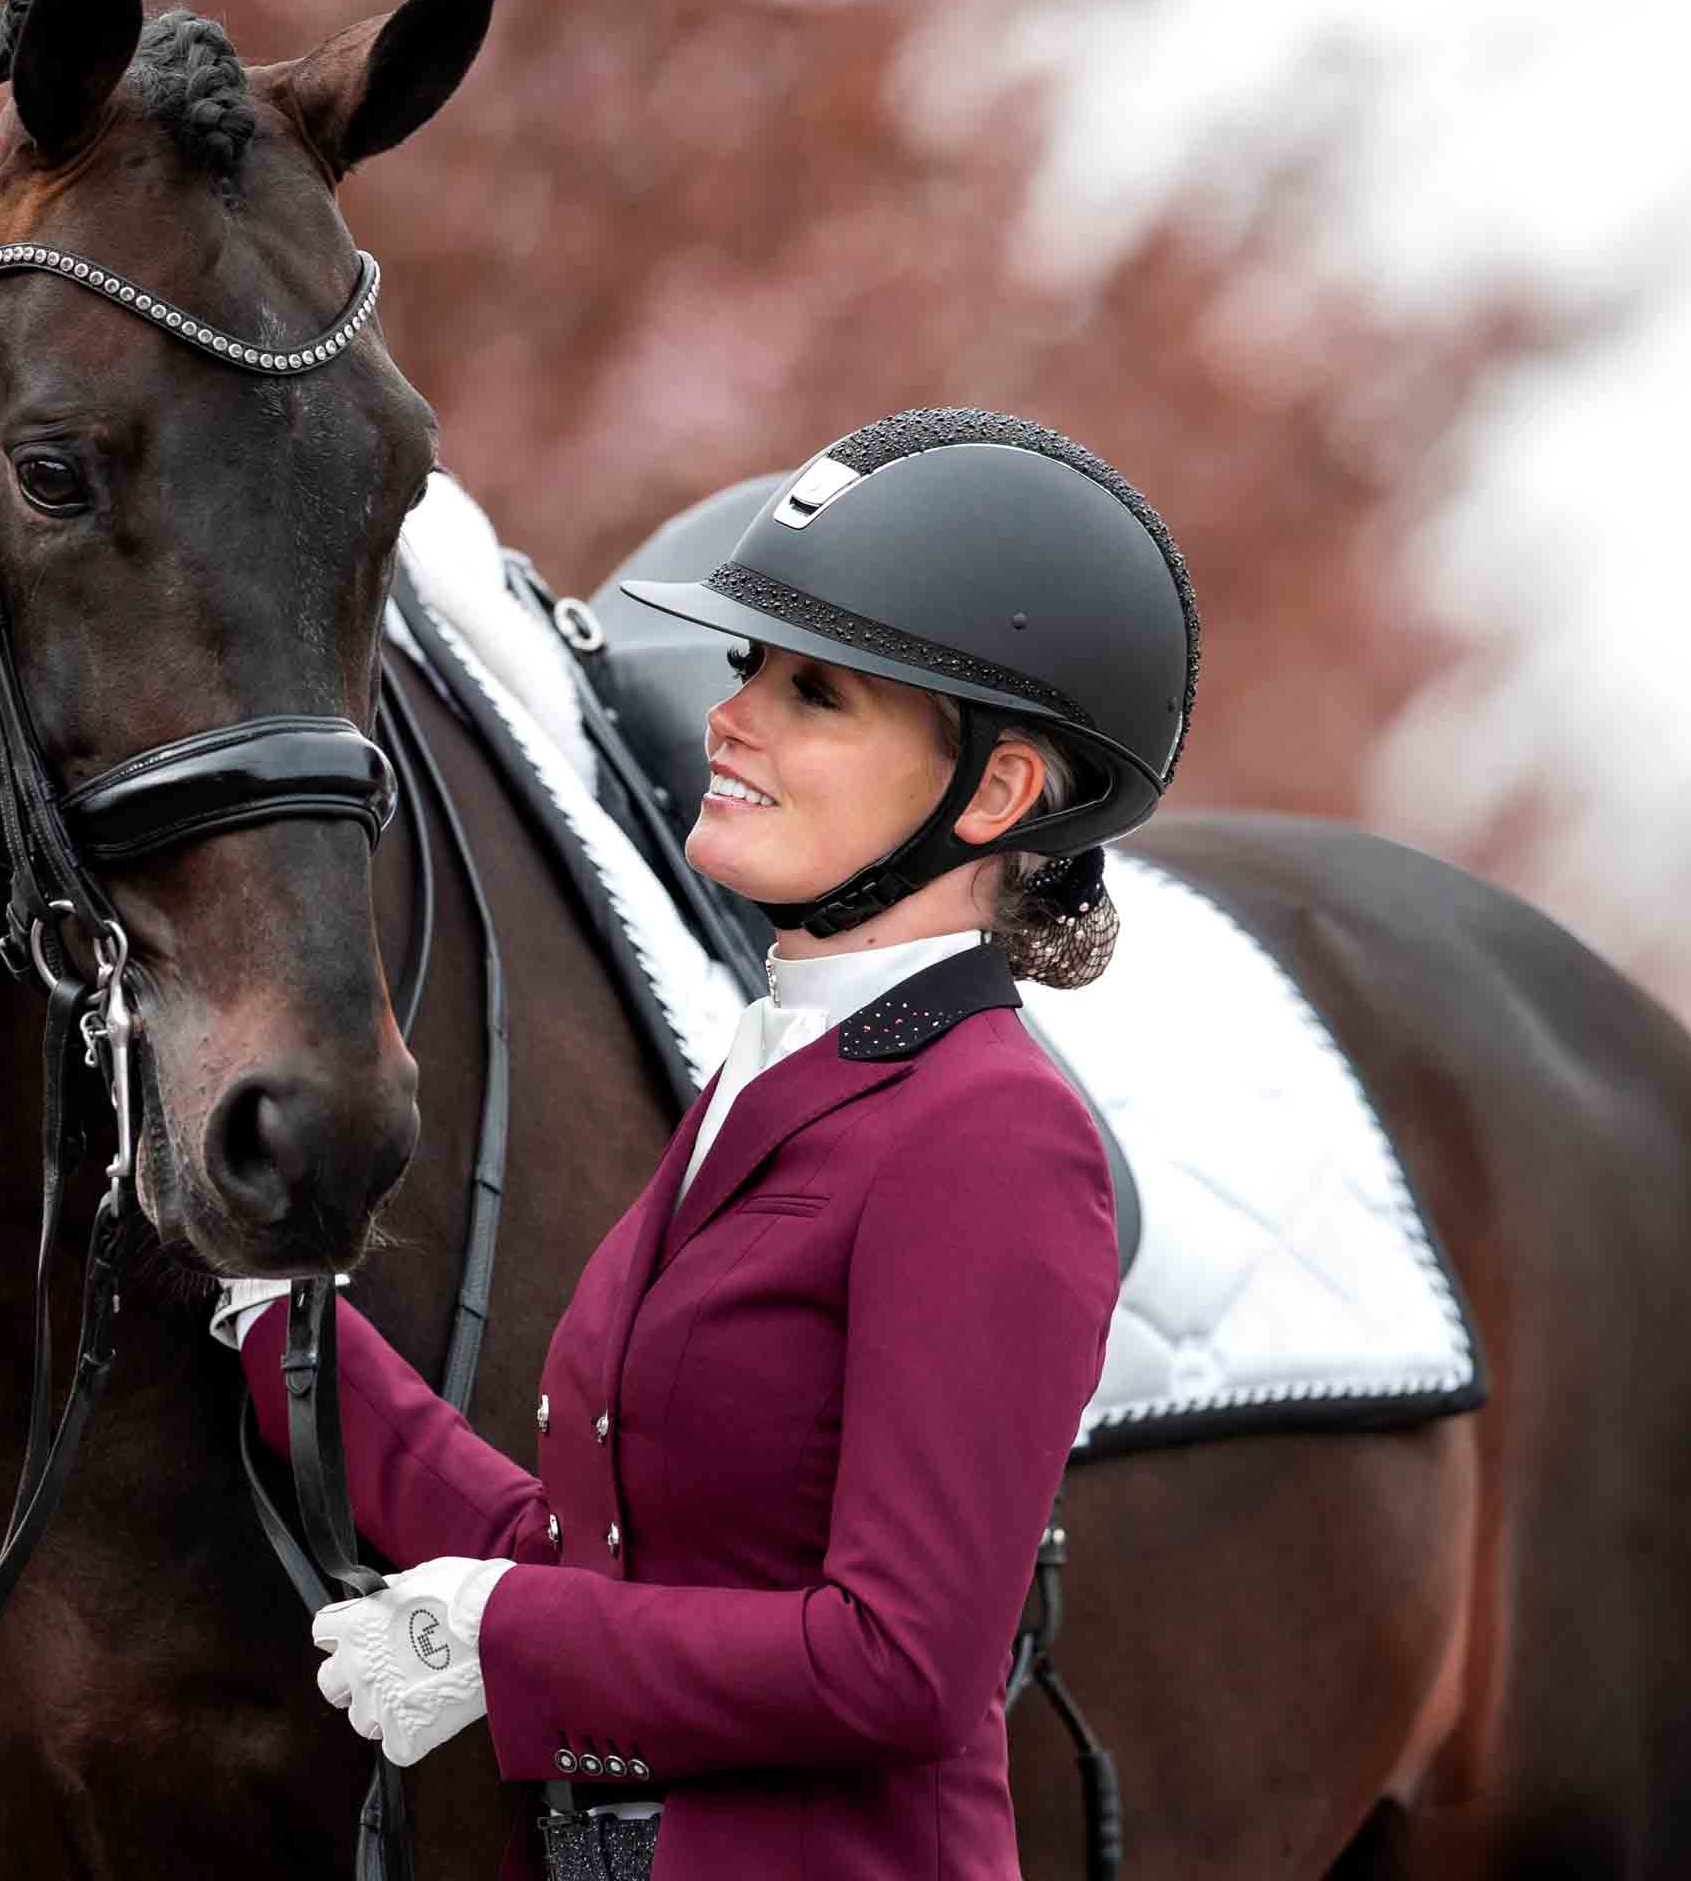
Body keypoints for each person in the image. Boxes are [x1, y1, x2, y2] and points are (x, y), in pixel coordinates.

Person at [212, 406, 1199, 1880]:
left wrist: (507, 1638)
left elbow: (902, 1665)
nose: (730, 716)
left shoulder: (992, 1135)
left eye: (815, 695)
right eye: (749, 670)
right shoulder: (772, 1068)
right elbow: (589, 1560)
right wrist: (279, 1337)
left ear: (993, 791)